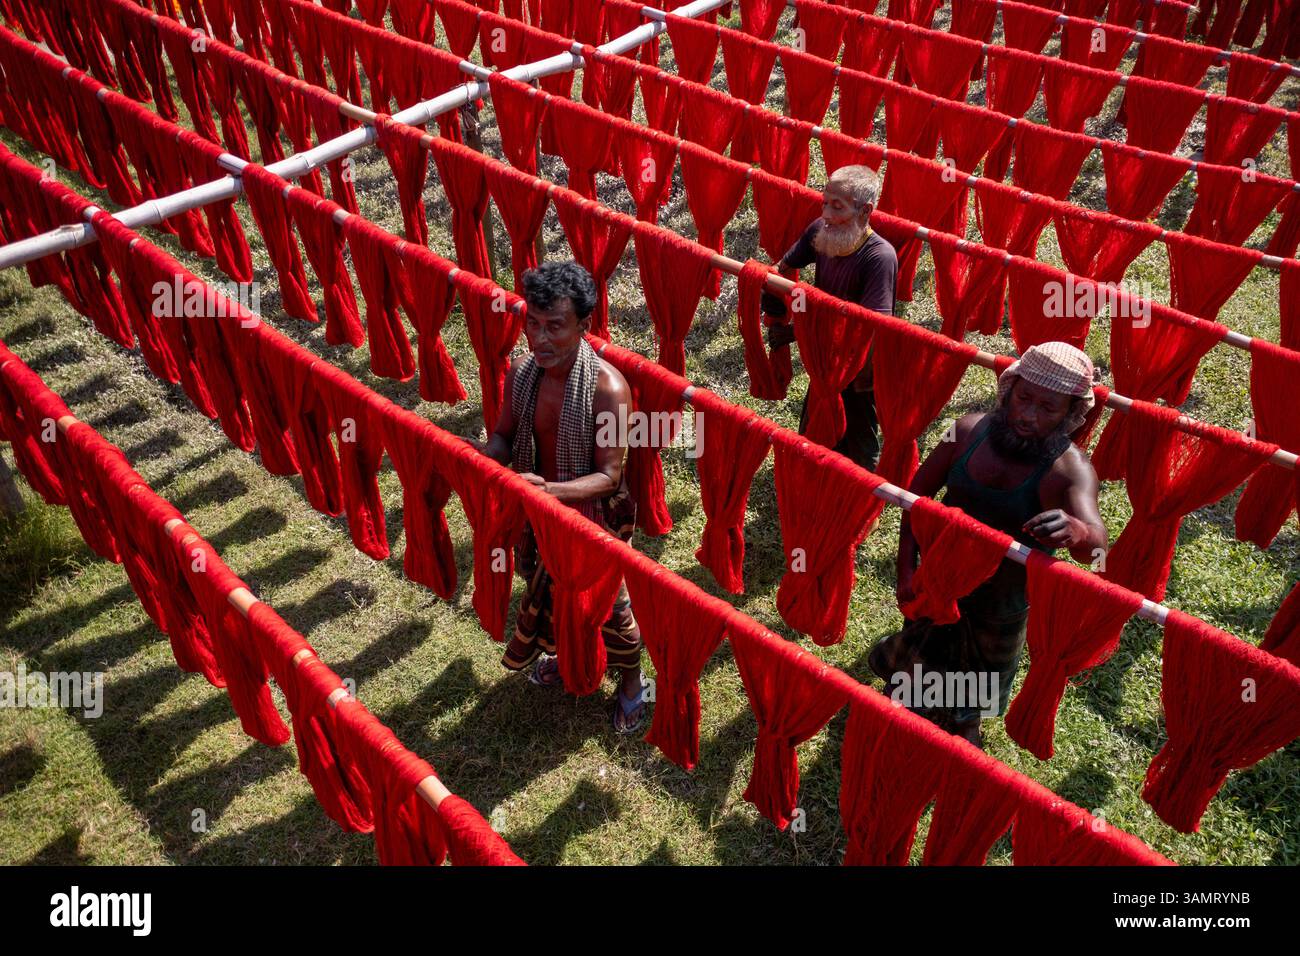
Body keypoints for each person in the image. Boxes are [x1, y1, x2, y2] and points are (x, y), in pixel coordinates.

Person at [867, 342, 1108, 749]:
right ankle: (904, 712)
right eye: (1023, 398)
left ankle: (964, 724)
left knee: (977, 683)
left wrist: (1077, 532)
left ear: (1070, 415)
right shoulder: (963, 433)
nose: (1028, 416)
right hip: (936, 582)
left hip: (1000, 605)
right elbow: (914, 502)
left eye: (1048, 408)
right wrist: (906, 571)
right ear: (1008, 389)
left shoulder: (1069, 471)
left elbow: (1097, 547)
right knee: (916, 668)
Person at [474, 261, 648, 734]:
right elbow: (505, 435)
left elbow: (610, 476)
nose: (539, 338)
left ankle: (633, 686)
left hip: (594, 519)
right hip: (540, 515)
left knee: (610, 607)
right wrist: (484, 457)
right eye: (532, 323)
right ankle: (563, 653)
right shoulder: (525, 374)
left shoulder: (609, 389)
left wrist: (548, 491)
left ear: (584, 326)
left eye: (555, 327)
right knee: (546, 590)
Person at [764, 164, 898, 470]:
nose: (825, 213)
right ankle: (812, 477)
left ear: (865, 212)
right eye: (824, 202)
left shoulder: (879, 257)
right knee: (815, 427)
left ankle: (863, 509)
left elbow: (875, 327)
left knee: (860, 441)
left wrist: (862, 376)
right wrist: (778, 313)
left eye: (836, 207)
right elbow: (781, 270)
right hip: (824, 356)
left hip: (857, 362)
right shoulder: (820, 231)